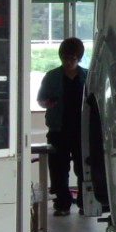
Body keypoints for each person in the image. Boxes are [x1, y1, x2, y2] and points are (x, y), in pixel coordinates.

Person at [37, 36, 88, 216]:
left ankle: (85, 203)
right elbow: (40, 100)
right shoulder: (52, 76)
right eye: (65, 58)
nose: (68, 62)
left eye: (73, 58)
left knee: (84, 169)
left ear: (79, 58)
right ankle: (62, 204)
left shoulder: (87, 76)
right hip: (58, 129)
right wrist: (48, 103)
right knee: (58, 169)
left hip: (83, 130)